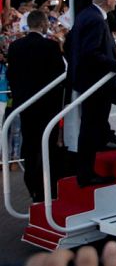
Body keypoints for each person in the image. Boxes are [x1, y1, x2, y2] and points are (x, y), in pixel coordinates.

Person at [65, 0, 116, 188]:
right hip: (96, 81)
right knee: (92, 125)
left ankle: (105, 139)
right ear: (107, 0)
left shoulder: (88, 15)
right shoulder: (94, 19)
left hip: (95, 80)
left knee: (95, 122)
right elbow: (90, 53)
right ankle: (86, 173)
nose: (115, 0)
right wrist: (115, 64)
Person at [7, 11, 66, 201]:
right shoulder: (50, 46)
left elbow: (12, 76)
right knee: (48, 147)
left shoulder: (15, 47)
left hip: (25, 106)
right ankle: (48, 189)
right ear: (42, 25)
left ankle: (33, 188)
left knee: (30, 147)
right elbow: (60, 75)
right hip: (48, 106)